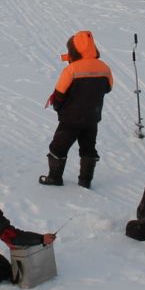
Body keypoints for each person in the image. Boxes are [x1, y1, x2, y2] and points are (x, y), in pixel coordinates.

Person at [41, 30, 113, 187]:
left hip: (70, 119)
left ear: (73, 50)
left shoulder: (71, 70)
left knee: (58, 147)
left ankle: (54, 177)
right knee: (88, 148)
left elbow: (59, 94)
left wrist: (59, 108)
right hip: (92, 118)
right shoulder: (104, 68)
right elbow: (108, 88)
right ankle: (85, 181)